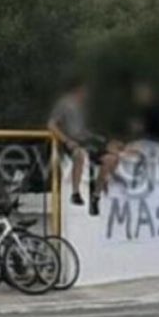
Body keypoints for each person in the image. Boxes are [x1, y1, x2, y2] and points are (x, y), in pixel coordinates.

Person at [48, 79, 119, 215]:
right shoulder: (64, 103)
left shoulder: (89, 106)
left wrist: (105, 141)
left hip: (89, 141)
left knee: (112, 159)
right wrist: (66, 140)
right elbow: (51, 124)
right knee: (78, 154)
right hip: (73, 141)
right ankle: (75, 192)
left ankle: (96, 195)